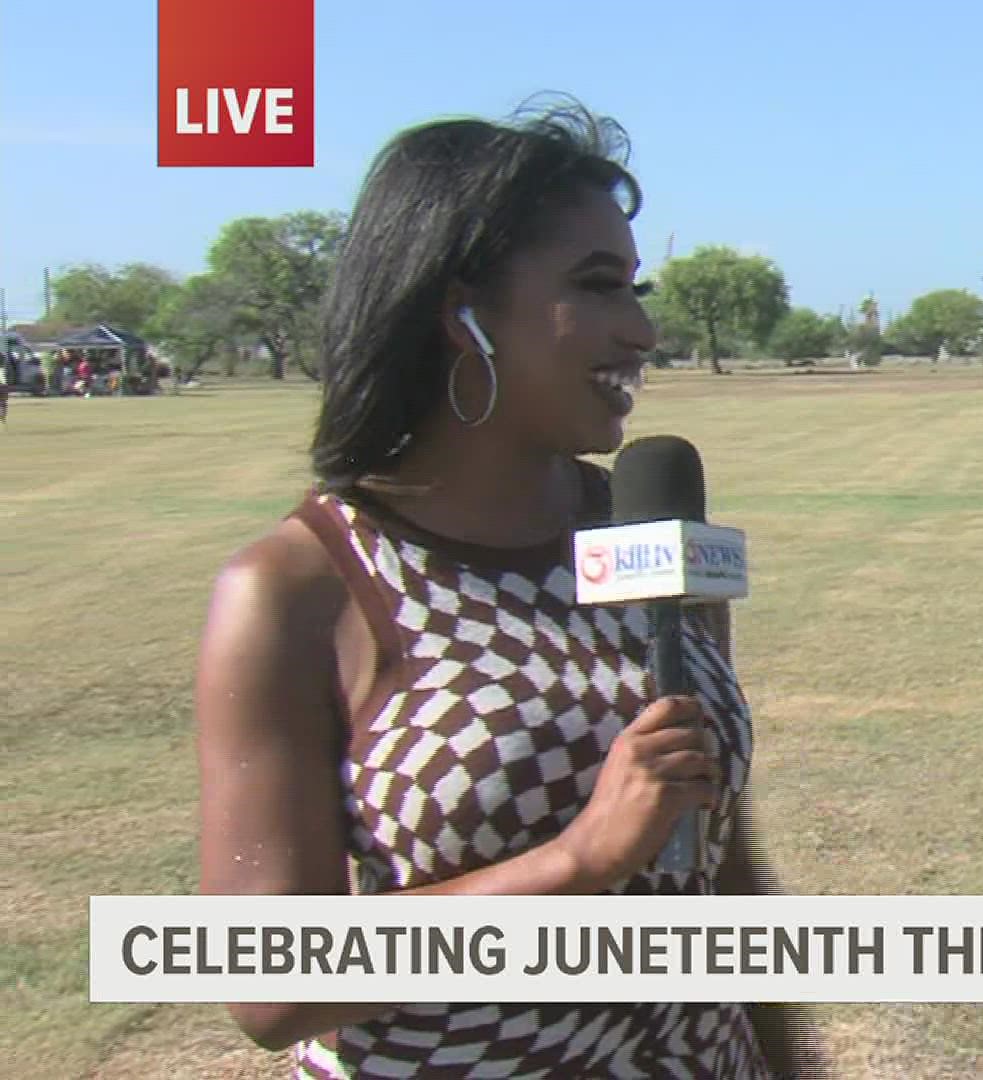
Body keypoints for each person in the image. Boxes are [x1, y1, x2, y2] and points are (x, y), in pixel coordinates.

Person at [192, 96, 823, 1079]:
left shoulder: (647, 529)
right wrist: (576, 863)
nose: (642, 329)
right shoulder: (300, 589)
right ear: (462, 310)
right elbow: (269, 988)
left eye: (636, 286)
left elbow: (720, 861)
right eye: (598, 285)